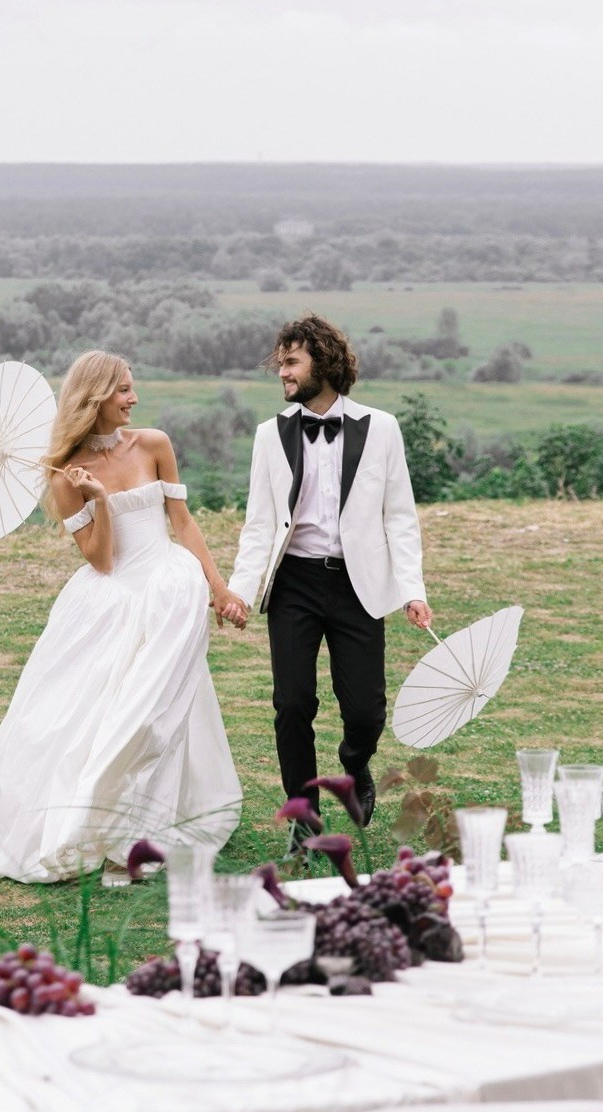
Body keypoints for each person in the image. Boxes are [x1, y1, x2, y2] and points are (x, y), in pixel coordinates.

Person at [0, 351, 245, 884]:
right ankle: (100, 817)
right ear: (95, 396)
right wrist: (98, 498)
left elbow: (183, 524)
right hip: (109, 598)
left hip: (170, 588)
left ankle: (148, 821)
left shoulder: (153, 444)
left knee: (155, 705)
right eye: (123, 390)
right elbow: (101, 559)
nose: (134, 398)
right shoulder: (65, 474)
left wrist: (219, 589)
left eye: (133, 388)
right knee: (96, 709)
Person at [223, 314, 433, 849]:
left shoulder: (381, 428)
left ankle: (354, 764)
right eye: (280, 364)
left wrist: (412, 588)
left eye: (291, 362)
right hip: (293, 582)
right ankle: (304, 819)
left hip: (358, 585)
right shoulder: (270, 435)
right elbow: (260, 524)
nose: (282, 374)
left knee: (365, 708)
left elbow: (399, 516)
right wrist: (240, 593)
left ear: (325, 362)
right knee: (292, 704)